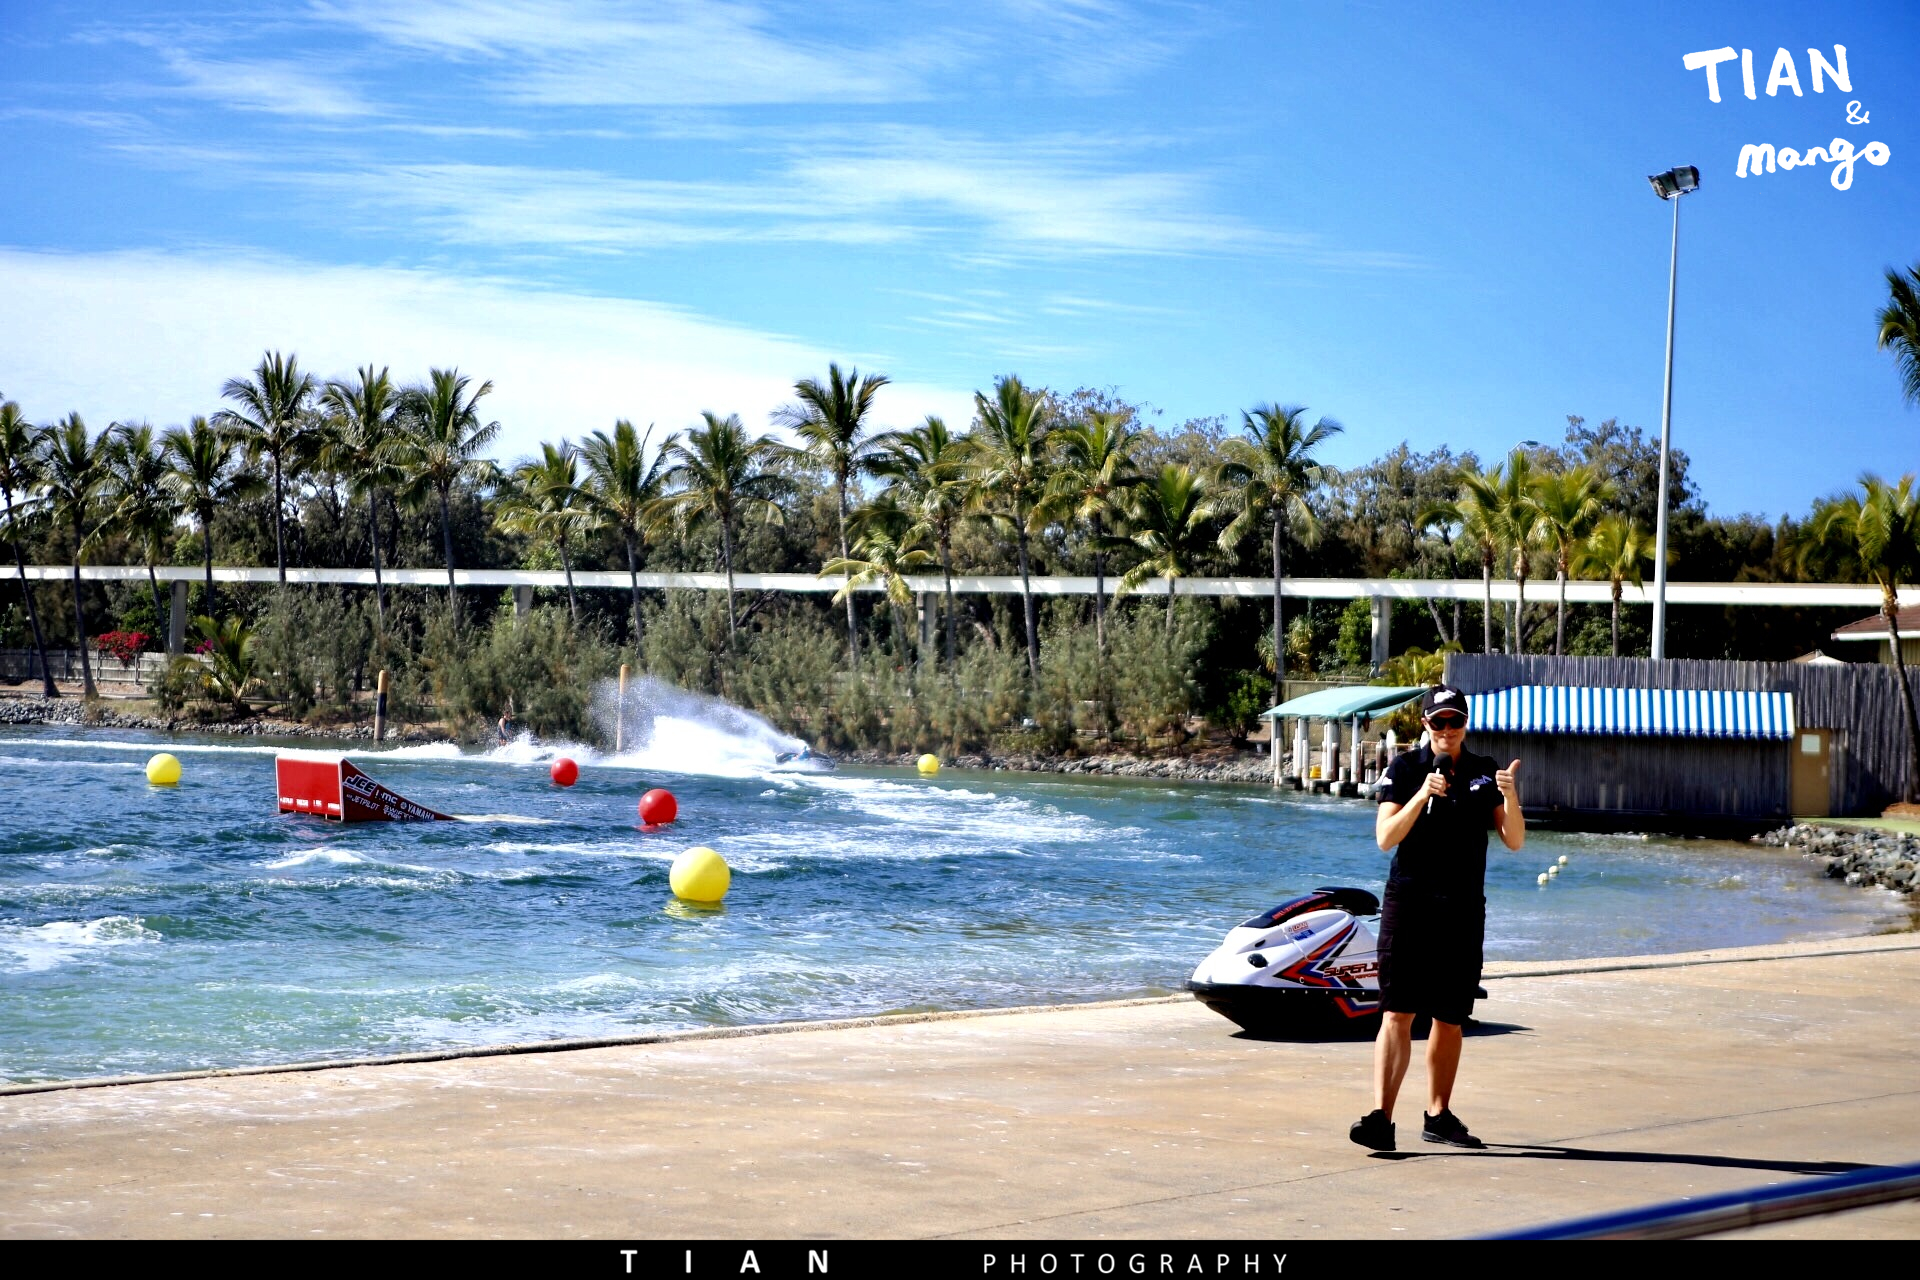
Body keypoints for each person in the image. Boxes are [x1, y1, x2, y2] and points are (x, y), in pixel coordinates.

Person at [1350, 683, 1524, 1152]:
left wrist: (1510, 797)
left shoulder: (1484, 771)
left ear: (1465, 724)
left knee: (1449, 1016)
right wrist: (1420, 795)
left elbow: (1514, 840)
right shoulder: (1404, 768)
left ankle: (1438, 1115)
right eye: (1439, 722)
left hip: (1463, 907)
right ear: (1425, 724)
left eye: (1456, 721)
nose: (1448, 730)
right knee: (1398, 1011)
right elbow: (1386, 837)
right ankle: (1381, 1119)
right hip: (1409, 903)